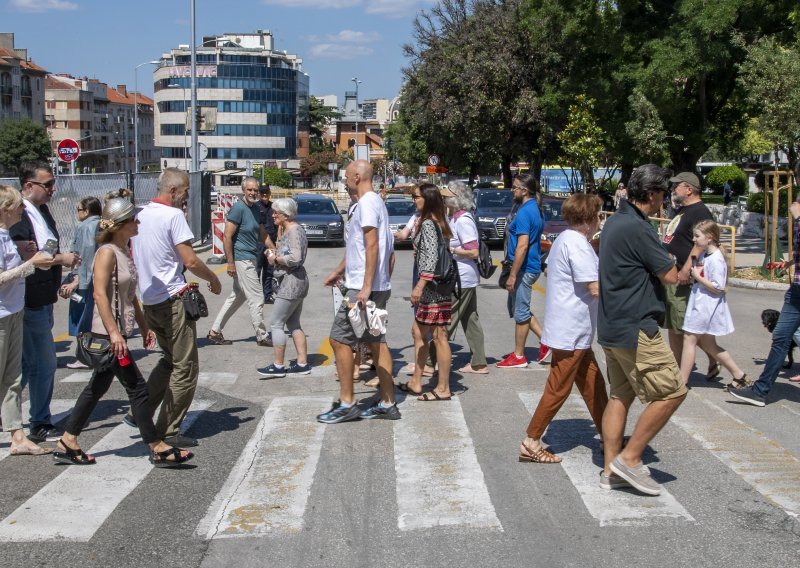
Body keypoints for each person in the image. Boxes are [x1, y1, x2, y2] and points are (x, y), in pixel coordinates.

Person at [53, 198, 193, 467]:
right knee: (138, 389)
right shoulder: (106, 252)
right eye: (133, 220)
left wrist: (143, 326)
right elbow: (100, 294)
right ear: (120, 225)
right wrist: (115, 334)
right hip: (108, 335)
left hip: (118, 333)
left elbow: (129, 297)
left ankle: (68, 440)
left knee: (96, 388)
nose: (138, 223)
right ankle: (157, 446)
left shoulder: (123, 250)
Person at [598, 164, 686, 496]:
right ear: (651, 194)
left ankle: (610, 468)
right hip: (636, 327)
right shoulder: (638, 228)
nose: (665, 200)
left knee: (621, 395)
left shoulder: (615, 222)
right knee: (673, 392)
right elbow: (670, 275)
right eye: (663, 194)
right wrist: (673, 255)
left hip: (612, 325)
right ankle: (630, 459)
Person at [129, 168, 221, 447]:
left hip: (150, 299)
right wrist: (213, 279)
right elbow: (190, 261)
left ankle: (140, 410)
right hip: (172, 300)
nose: (187, 198)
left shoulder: (140, 215)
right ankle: (168, 430)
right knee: (185, 367)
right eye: (185, 192)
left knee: (169, 360)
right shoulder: (173, 216)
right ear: (173, 191)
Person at [519, 194, 608, 464]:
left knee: (594, 384)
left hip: (572, 329)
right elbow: (593, 287)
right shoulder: (578, 245)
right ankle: (531, 441)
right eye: (598, 215)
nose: (599, 220)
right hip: (571, 329)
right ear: (590, 218)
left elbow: (550, 271)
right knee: (558, 387)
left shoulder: (565, 240)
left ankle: (609, 433)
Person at [319, 160, 399, 423]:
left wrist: (365, 286)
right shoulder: (376, 202)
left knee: (339, 340)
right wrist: (339, 270)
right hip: (376, 285)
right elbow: (360, 247)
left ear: (356, 176)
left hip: (364, 289)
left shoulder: (365, 203)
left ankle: (347, 403)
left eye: (345, 176)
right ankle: (388, 403)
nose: (343, 180)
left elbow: (372, 244)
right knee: (377, 342)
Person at [10, 161, 80, 443]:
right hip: (28, 299)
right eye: (47, 184)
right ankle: (39, 422)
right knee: (43, 363)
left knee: (27, 366)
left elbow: (45, 247)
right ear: (29, 186)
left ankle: (12, 416)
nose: (53, 189)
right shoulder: (17, 213)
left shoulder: (41, 211)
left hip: (42, 297)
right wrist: (61, 260)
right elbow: (26, 254)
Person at [728, 199, 800, 407]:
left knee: (782, 337)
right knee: (780, 336)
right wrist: (790, 262)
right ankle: (760, 391)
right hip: (796, 290)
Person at [0, 186, 55, 456]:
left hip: (13, 311)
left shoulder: (6, 237)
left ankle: (17, 436)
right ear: (6, 209)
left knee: (12, 378)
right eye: (19, 206)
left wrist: (26, 257)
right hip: (1, 316)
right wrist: (29, 264)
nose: (23, 210)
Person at [398, 183, 454, 400]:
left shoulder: (430, 224)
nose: (414, 200)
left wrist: (419, 286)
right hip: (437, 287)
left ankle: (443, 388)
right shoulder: (436, 220)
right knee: (419, 332)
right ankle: (416, 381)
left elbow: (431, 259)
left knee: (439, 336)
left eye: (416, 197)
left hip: (432, 289)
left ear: (428, 199)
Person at [427, 181, 487, 374]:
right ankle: (479, 363)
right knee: (470, 319)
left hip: (462, 278)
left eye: (446, 196)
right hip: (463, 278)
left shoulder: (463, 220)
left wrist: (450, 249)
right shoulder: (455, 217)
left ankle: (428, 362)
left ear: (455, 199)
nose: (443, 198)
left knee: (446, 320)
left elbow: (474, 251)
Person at [679, 220, 748, 388]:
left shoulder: (716, 259)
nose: (694, 240)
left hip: (705, 306)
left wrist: (698, 277)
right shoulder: (704, 254)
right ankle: (739, 375)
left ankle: (681, 382)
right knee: (709, 345)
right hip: (700, 302)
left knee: (689, 339)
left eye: (697, 236)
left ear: (709, 238)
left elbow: (718, 287)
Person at [661, 172, 717, 376]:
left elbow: (701, 245)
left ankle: (716, 357)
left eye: (677, 186)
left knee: (686, 326)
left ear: (689, 189)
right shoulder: (684, 210)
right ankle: (676, 366)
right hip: (671, 273)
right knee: (674, 325)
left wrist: (686, 269)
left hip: (683, 276)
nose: (674, 189)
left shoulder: (699, 212)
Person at [207, 177, 270, 346]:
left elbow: (262, 234)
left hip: (251, 257)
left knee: (238, 296)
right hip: (242, 259)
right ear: (244, 191)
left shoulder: (256, 209)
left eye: (255, 190)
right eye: (249, 190)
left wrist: (273, 250)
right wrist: (230, 262)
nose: (253, 193)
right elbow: (227, 236)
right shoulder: (238, 208)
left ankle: (215, 331)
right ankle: (262, 335)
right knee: (257, 297)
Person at [496, 173, 547, 368]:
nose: (512, 190)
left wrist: (513, 274)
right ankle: (546, 341)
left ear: (524, 191)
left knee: (521, 312)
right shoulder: (534, 208)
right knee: (518, 309)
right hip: (527, 267)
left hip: (525, 268)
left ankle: (519, 356)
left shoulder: (526, 212)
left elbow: (522, 246)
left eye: (515, 188)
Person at [256, 198, 310, 378]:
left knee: (276, 323)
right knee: (293, 323)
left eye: (276, 213)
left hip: (291, 281)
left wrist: (275, 259)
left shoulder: (294, 231)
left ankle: (278, 365)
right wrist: (276, 250)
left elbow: (295, 258)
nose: (273, 215)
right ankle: (302, 363)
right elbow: (287, 251)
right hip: (295, 281)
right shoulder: (289, 229)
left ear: (285, 215)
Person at [61, 196, 102, 369]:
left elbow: (85, 256)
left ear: (86, 211)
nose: (77, 213)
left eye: (78, 209)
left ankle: (84, 356)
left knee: (81, 318)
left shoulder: (86, 227)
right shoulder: (101, 224)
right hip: (95, 278)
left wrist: (76, 280)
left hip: (84, 281)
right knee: (92, 316)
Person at [254, 184, 278, 304]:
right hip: (259, 244)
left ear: (269, 193)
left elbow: (278, 225)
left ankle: (267, 295)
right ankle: (256, 296)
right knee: (257, 269)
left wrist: (278, 241)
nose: (264, 195)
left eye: (266, 193)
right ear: (259, 194)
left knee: (269, 270)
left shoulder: (274, 206)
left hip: (271, 243)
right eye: (262, 193)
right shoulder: (255, 207)